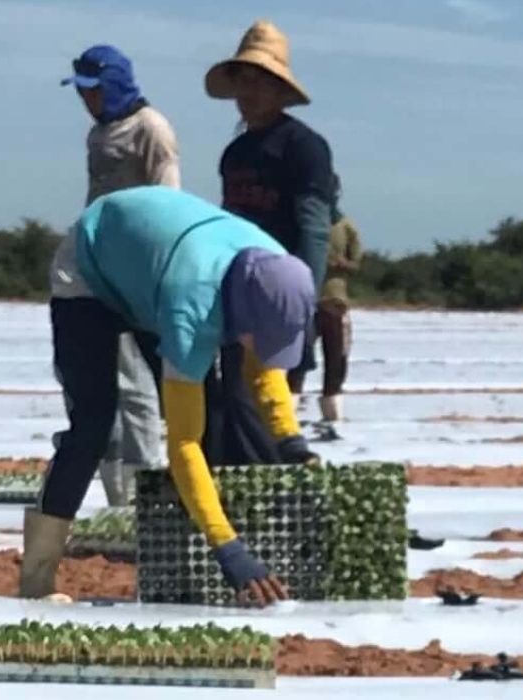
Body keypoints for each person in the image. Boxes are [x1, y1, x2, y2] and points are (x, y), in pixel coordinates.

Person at [26, 186, 320, 604]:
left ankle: (194, 563)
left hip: (154, 271)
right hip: (91, 266)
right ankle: (37, 578)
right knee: (94, 425)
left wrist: (290, 440)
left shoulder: (280, 271)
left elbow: (263, 367)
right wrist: (227, 547)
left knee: (214, 411)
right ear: (242, 315)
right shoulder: (191, 311)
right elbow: (183, 443)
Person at [51, 43, 181, 513]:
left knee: (143, 384)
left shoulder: (151, 129)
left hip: (137, 270)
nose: (86, 100)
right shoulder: (98, 134)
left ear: (114, 85)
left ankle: (145, 490)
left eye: (92, 90)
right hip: (98, 267)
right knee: (106, 389)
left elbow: (167, 199)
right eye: (81, 91)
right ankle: (116, 499)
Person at [207, 19, 338, 398]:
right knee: (238, 398)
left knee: (275, 400)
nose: (248, 92)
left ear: (280, 88)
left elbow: (314, 227)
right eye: (242, 81)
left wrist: (302, 301)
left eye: (259, 81)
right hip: (239, 294)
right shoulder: (235, 153)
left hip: (282, 291)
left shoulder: (303, 146)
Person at [313, 209, 359, 438]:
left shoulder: (346, 227)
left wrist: (341, 263)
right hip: (305, 298)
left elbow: (356, 265)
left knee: (336, 358)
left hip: (335, 300)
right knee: (294, 359)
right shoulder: (301, 221)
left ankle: (332, 411)